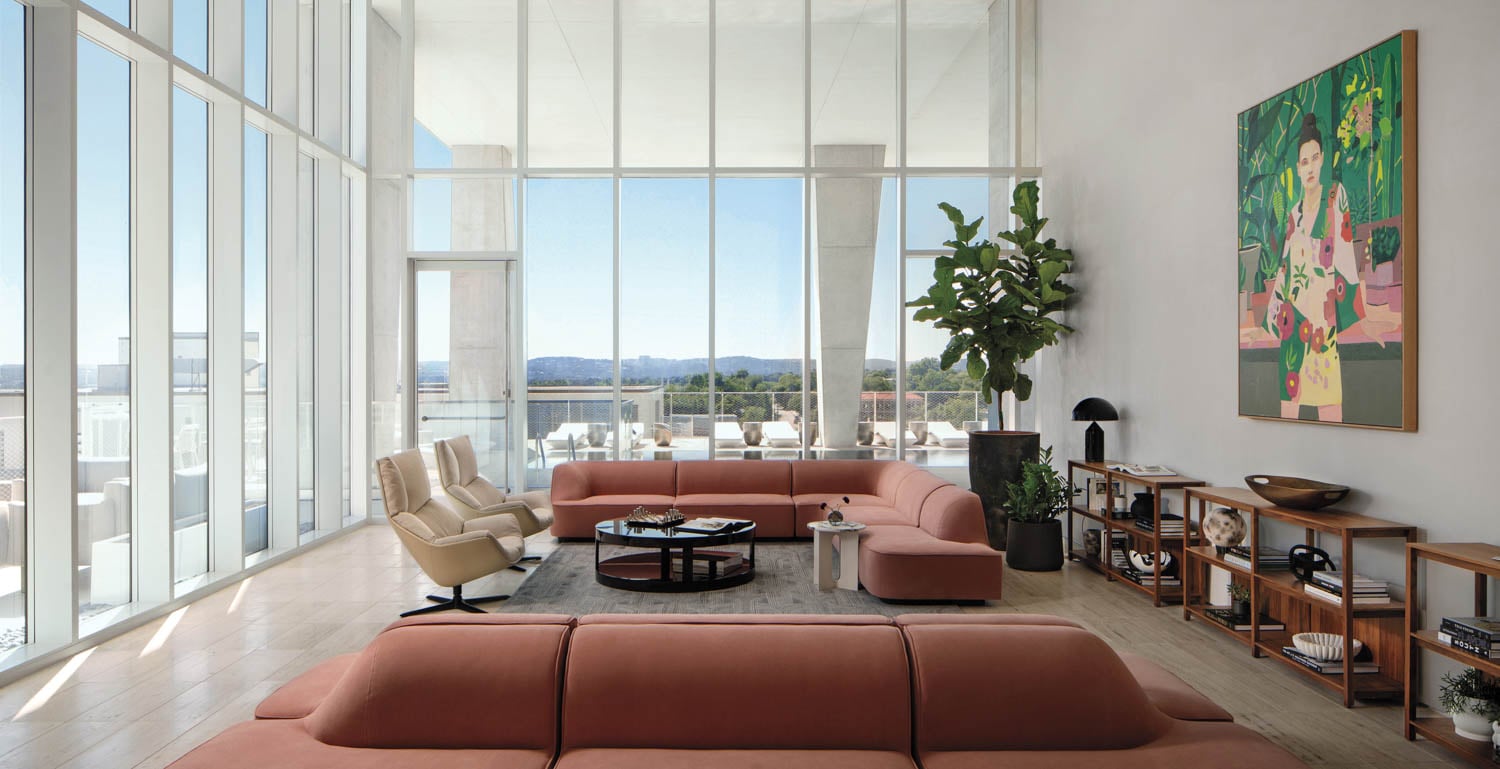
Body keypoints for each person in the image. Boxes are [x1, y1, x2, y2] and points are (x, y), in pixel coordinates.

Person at [1261, 114, 1383, 423]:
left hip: (1321, 327)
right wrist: (1270, 321)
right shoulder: (1293, 214)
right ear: (1298, 168)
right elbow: (1285, 273)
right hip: (1293, 326)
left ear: (1322, 160)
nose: (1311, 166)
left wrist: (1363, 317)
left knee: (1332, 413)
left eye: (1315, 158)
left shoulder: (1334, 198)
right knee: (1288, 413)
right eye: (1305, 161)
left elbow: (1344, 259)